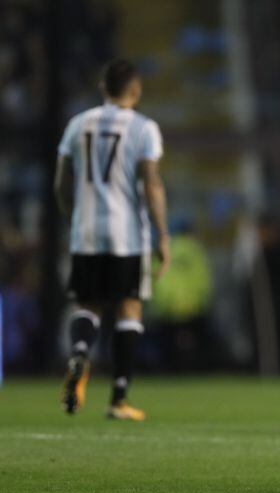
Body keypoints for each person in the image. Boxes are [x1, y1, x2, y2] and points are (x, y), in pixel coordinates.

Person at [54, 58, 170, 421]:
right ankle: (118, 398)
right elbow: (151, 183)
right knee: (128, 309)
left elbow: (61, 181)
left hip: (85, 230)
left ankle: (80, 350)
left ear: (103, 88)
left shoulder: (77, 124)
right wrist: (162, 235)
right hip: (127, 234)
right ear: (135, 90)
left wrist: (72, 217)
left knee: (87, 306)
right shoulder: (144, 128)